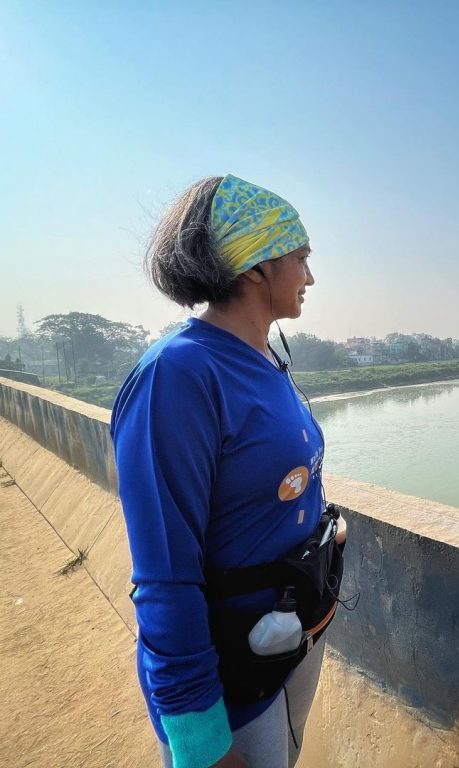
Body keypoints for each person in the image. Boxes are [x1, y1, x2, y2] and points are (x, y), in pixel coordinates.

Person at [111, 174, 344, 768]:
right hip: (229, 683)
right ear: (255, 269)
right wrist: (199, 745)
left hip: (284, 647)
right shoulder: (179, 376)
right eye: (300, 258)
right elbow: (164, 575)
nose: (310, 277)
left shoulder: (266, 357)